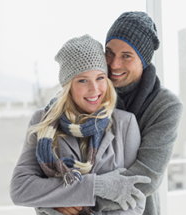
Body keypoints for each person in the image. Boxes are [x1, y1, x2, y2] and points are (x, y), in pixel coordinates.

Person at [54, 11, 184, 215]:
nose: (114, 64)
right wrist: (48, 201)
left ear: (143, 61)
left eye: (126, 56)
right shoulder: (88, 95)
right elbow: (48, 165)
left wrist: (76, 199)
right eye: (109, 52)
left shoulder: (165, 106)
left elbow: (145, 178)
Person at [10, 34, 151, 215]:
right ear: (68, 85)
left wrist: (52, 200)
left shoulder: (125, 123)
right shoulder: (42, 121)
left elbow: (135, 202)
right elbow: (20, 189)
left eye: (100, 78)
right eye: (83, 80)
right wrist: (97, 186)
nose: (94, 89)